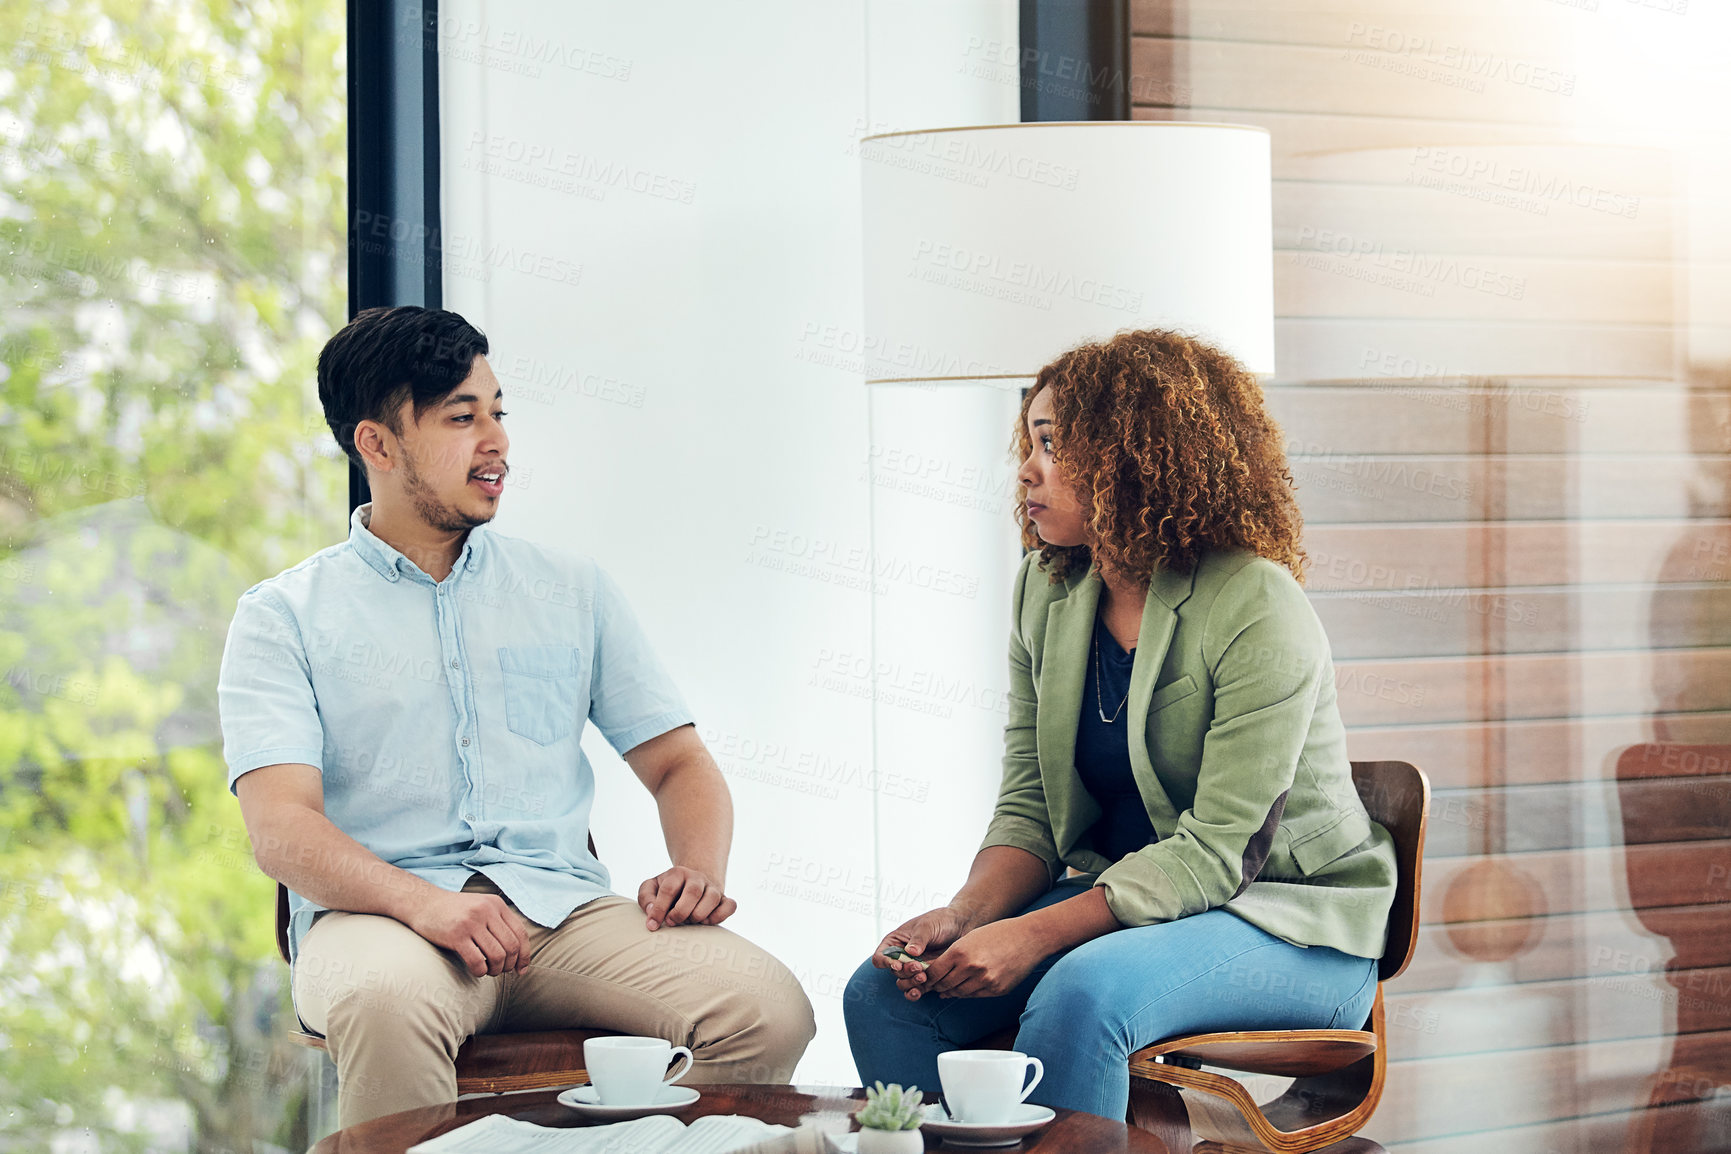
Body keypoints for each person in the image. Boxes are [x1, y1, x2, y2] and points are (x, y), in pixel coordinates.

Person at [218, 306, 814, 1127]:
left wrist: (698, 869)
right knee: (388, 1002)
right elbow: (281, 830)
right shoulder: (282, 615)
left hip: (560, 915)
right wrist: (425, 906)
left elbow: (678, 766)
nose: (496, 440)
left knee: (764, 1006)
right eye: (463, 417)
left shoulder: (570, 590)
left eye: (498, 412)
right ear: (377, 446)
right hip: (382, 921)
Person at [844, 328, 1398, 1120]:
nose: (1027, 470)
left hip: (1290, 924)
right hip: (1135, 917)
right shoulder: (1047, 588)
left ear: (1138, 459)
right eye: (1028, 442)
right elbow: (1031, 803)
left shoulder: (1256, 604)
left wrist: (1032, 937)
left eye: (1054, 445)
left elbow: (1218, 853)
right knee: (884, 996)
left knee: (1083, 988)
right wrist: (965, 916)